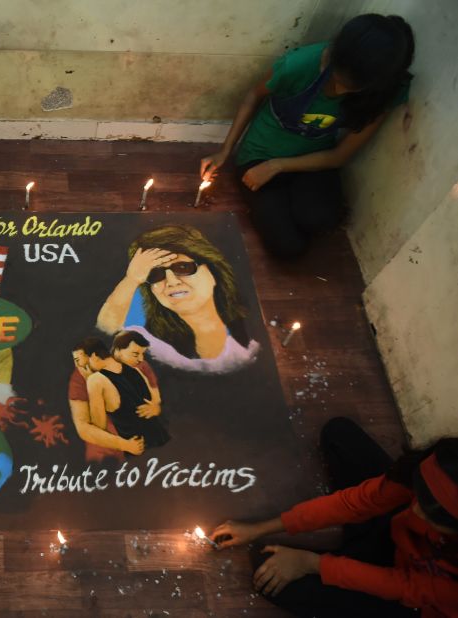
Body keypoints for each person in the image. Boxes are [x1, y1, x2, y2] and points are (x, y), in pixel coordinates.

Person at [200, 14, 414, 259]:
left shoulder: (382, 92)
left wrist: (277, 166)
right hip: (260, 155)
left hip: (313, 161)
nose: (339, 91)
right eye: (337, 79)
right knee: (289, 248)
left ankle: (291, 203)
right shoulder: (300, 64)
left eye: (351, 89)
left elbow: (338, 156)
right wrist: (225, 150)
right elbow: (252, 96)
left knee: (321, 219)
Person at [213, 417, 458, 617]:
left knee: (267, 571)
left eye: (429, 513)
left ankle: (354, 551)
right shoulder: (427, 477)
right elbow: (356, 502)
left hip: (412, 601)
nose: (414, 510)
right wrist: (261, 528)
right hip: (394, 538)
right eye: (419, 497)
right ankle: (357, 545)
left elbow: (400, 585)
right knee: (338, 433)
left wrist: (312, 563)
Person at [96, 225, 259, 374]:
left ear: (213, 271)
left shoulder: (250, 339)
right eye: (155, 274)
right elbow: (104, 334)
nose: (171, 281)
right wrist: (131, 279)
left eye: (183, 267)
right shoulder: (149, 344)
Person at [68, 330, 165, 458]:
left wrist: (90, 382)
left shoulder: (95, 379)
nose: (80, 366)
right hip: (158, 439)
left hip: (136, 448)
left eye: (79, 360)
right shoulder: (132, 368)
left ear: (94, 356)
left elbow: (99, 426)